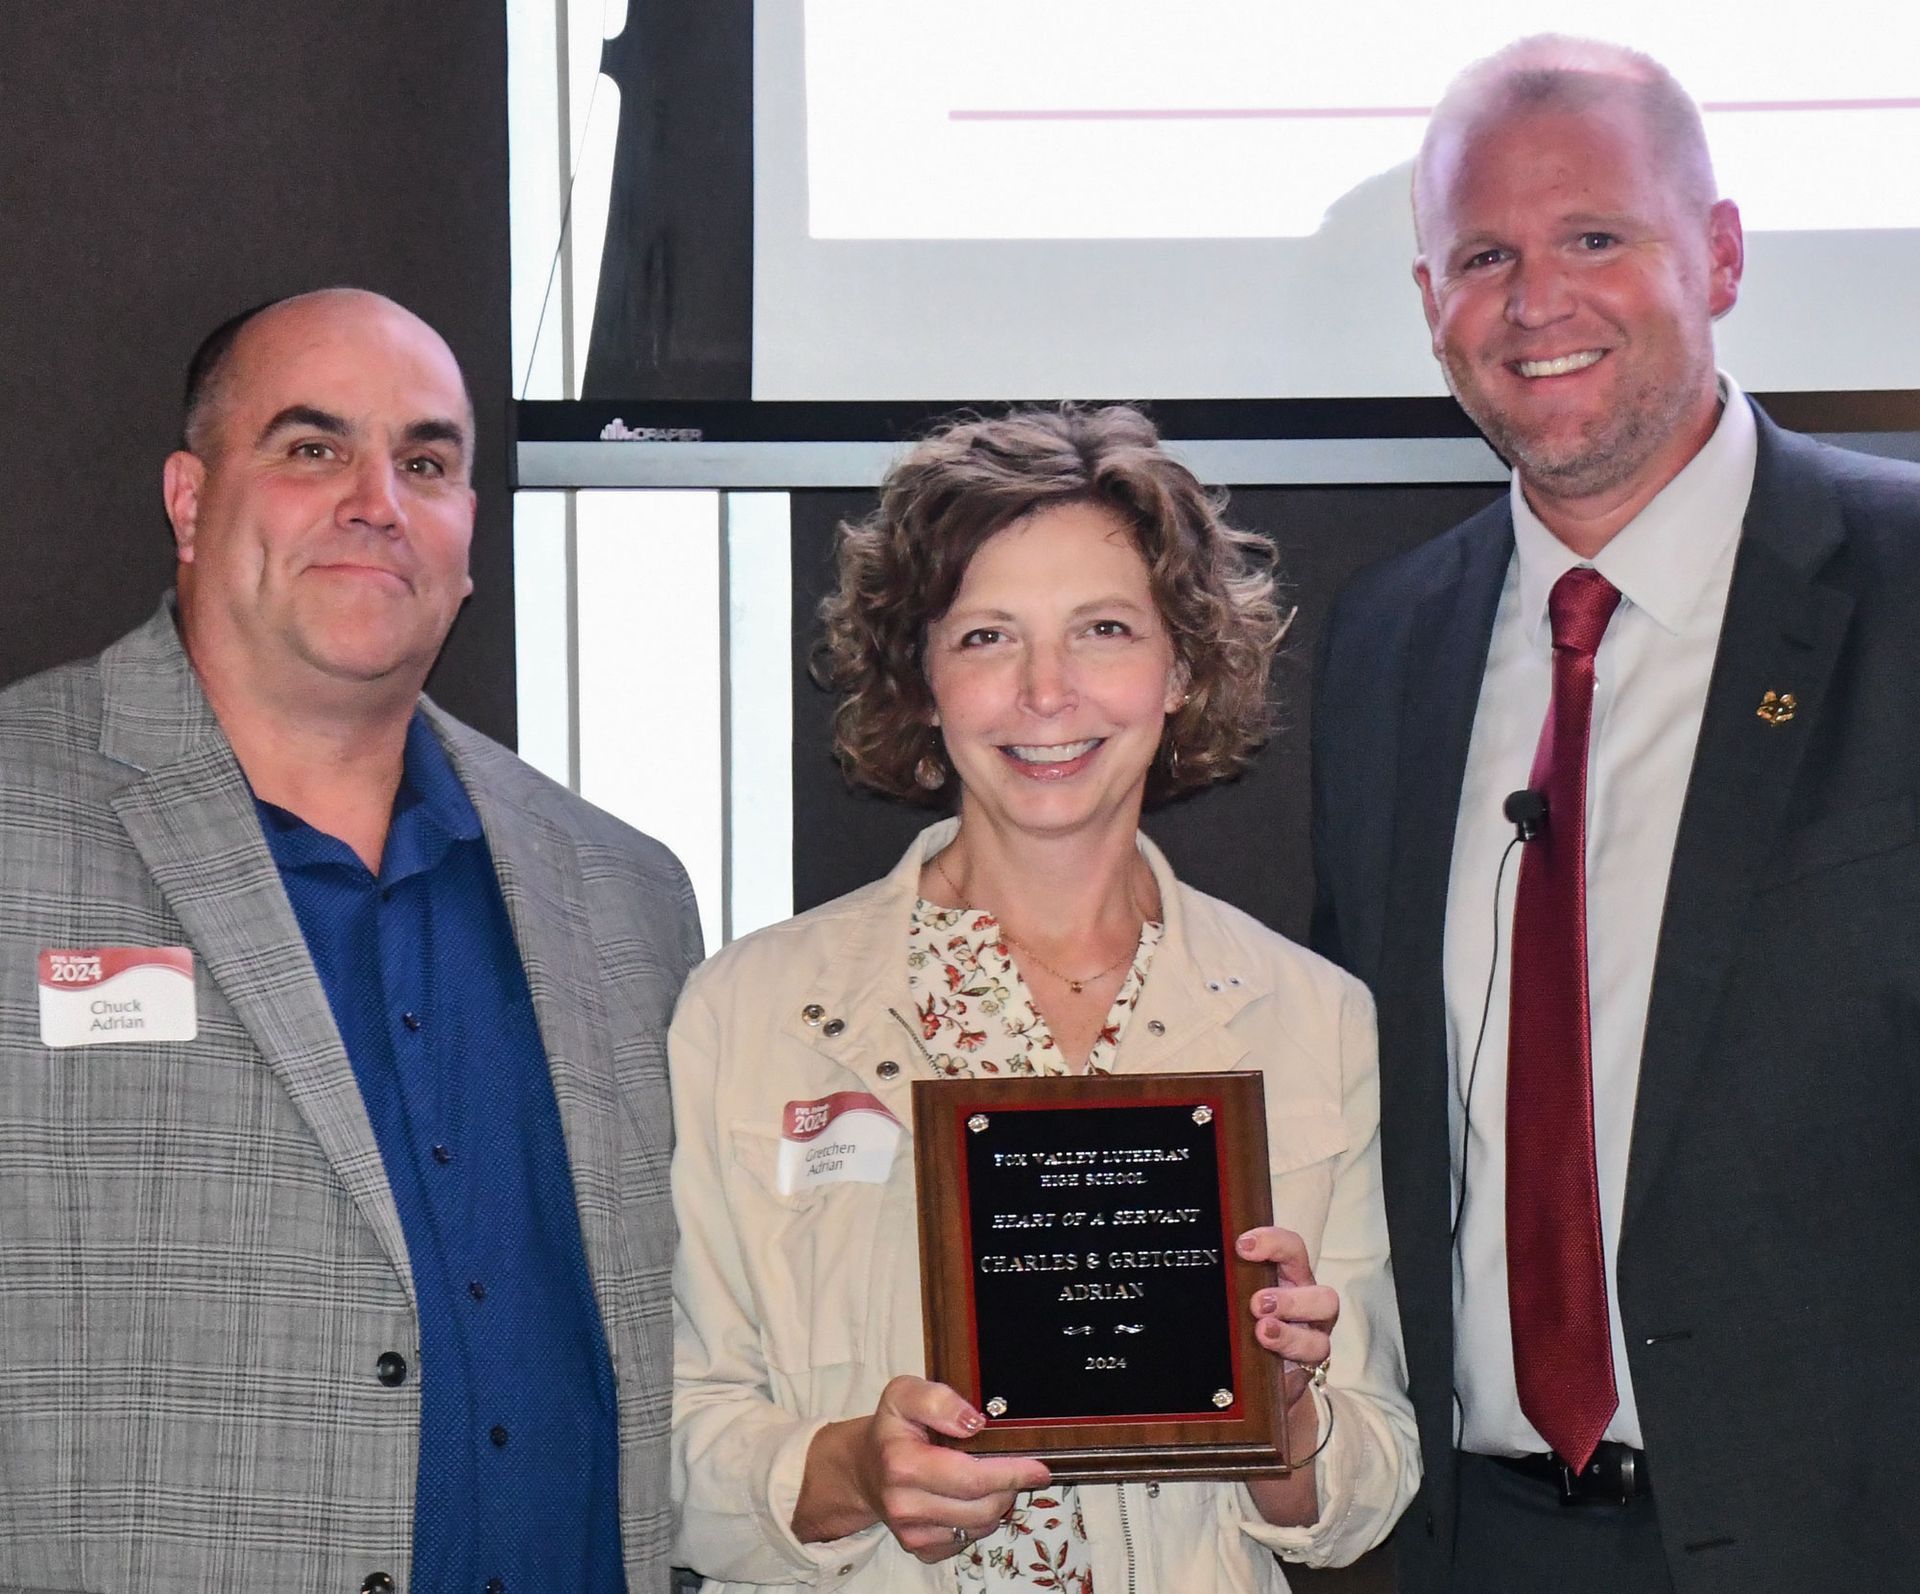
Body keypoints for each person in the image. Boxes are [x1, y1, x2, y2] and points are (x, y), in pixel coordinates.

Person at [1310, 35, 1920, 1594]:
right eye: (1483, 256)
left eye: (1596, 237)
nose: (1536, 302)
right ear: (1429, 303)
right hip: (1477, 1543)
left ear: (1717, 254)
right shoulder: (1388, 643)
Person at [0, 288, 703, 1593]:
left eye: (426, 461)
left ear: (470, 536)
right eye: (313, 447)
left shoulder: (627, 897)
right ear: (191, 500)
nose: (377, 497)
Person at [670, 405, 1417, 1593]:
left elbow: (1366, 1490)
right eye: (986, 638)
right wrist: (852, 1471)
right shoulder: (748, 1014)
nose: (1047, 692)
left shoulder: (1310, 1016)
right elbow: (668, 1450)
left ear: (1181, 668)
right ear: (921, 676)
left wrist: (1287, 1417)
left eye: (1104, 630)